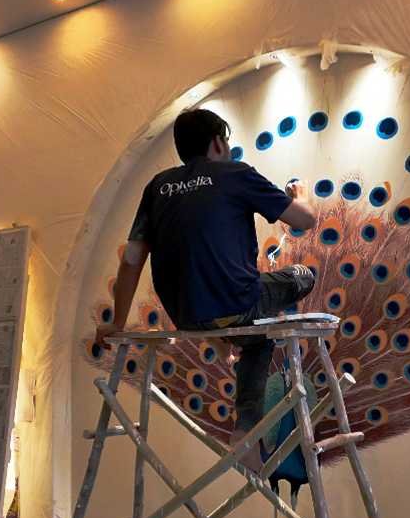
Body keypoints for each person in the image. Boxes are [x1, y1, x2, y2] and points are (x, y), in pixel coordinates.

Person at [95, 108, 316, 469]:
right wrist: (302, 195)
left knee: (255, 333)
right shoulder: (236, 174)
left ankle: (222, 343)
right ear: (217, 142)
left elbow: (132, 258)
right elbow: (304, 220)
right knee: (301, 277)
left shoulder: (157, 186)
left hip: (184, 315)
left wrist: (117, 323)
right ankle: (245, 431)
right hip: (237, 303)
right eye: (225, 140)